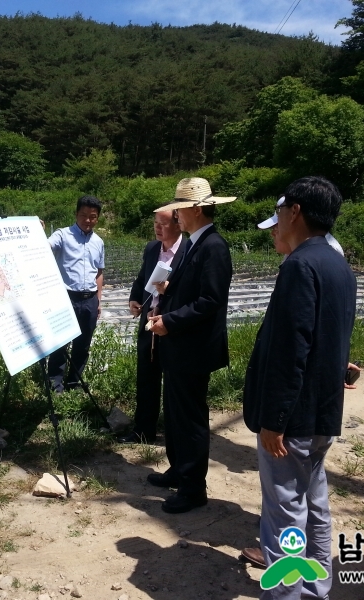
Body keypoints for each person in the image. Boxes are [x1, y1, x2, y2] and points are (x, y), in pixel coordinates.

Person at [242, 176, 356, 599]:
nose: (276, 224)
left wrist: (274, 420)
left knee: (285, 510)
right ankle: (315, 588)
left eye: (280, 214)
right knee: (316, 505)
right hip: (323, 412)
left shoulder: (299, 265)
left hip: (295, 418)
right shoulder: (337, 263)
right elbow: (333, 339)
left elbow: (292, 349)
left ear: (295, 212)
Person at [145, 177, 234, 513]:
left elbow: (210, 300)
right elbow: (192, 289)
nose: (175, 213)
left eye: (180, 207)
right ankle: (178, 470)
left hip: (193, 348)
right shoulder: (196, 242)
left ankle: (194, 488)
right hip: (179, 348)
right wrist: (167, 290)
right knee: (176, 415)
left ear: (196, 209)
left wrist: (170, 320)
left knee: (191, 418)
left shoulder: (214, 246)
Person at [119, 210, 185, 444]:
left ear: (178, 224)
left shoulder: (188, 251)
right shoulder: (151, 249)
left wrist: (171, 291)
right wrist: (134, 299)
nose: (158, 228)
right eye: (155, 223)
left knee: (175, 384)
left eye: (163, 224)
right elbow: (141, 279)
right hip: (149, 322)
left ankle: (174, 431)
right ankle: (143, 430)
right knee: (146, 378)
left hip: (172, 326)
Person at [45, 195, 105, 393]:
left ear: (97, 218)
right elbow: (46, 246)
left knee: (83, 344)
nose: (88, 220)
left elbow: (99, 272)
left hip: (90, 300)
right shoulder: (63, 235)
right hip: (67, 298)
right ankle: (55, 384)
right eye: (83, 215)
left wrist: (98, 300)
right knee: (61, 343)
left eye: (93, 216)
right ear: (76, 214)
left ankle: (74, 382)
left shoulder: (98, 242)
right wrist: (38, 232)